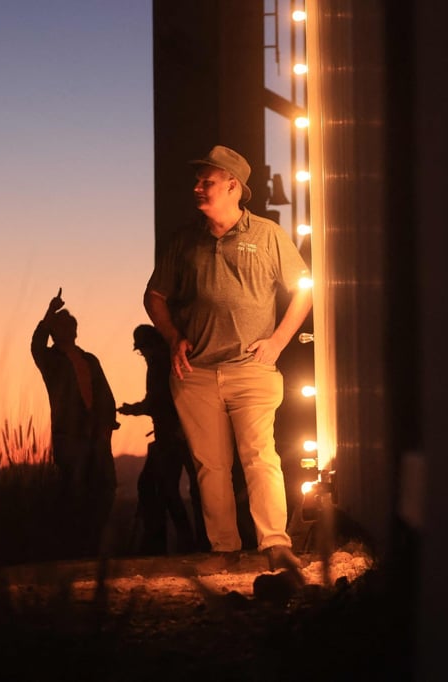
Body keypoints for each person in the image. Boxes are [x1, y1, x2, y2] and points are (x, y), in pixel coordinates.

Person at [143, 144, 312, 581]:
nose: (198, 187)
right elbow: (155, 295)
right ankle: (224, 549)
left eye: (208, 181)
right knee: (210, 466)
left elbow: (303, 290)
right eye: (198, 180)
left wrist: (277, 342)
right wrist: (174, 337)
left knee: (259, 456)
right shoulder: (185, 240)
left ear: (233, 186)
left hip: (252, 369)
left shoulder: (269, 235)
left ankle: (276, 545)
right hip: (195, 373)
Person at [31, 288, 118, 558]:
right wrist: (49, 312)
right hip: (69, 437)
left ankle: (95, 544)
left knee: (104, 485)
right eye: (65, 326)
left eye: (73, 325)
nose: (71, 330)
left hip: (97, 436)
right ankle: (76, 548)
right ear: (56, 331)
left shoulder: (90, 359)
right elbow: (36, 344)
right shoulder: (51, 361)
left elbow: (105, 394)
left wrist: (106, 426)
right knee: (75, 490)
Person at [118, 323, 207, 554]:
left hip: (174, 437)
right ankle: (193, 541)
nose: (143, 355)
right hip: (174, 435)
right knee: (183, 489)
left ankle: (184, 543)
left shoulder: (162, 363)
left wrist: (135, 410)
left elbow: (161, 400)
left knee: (167, 488)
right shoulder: (162, 362)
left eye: (143, 350)